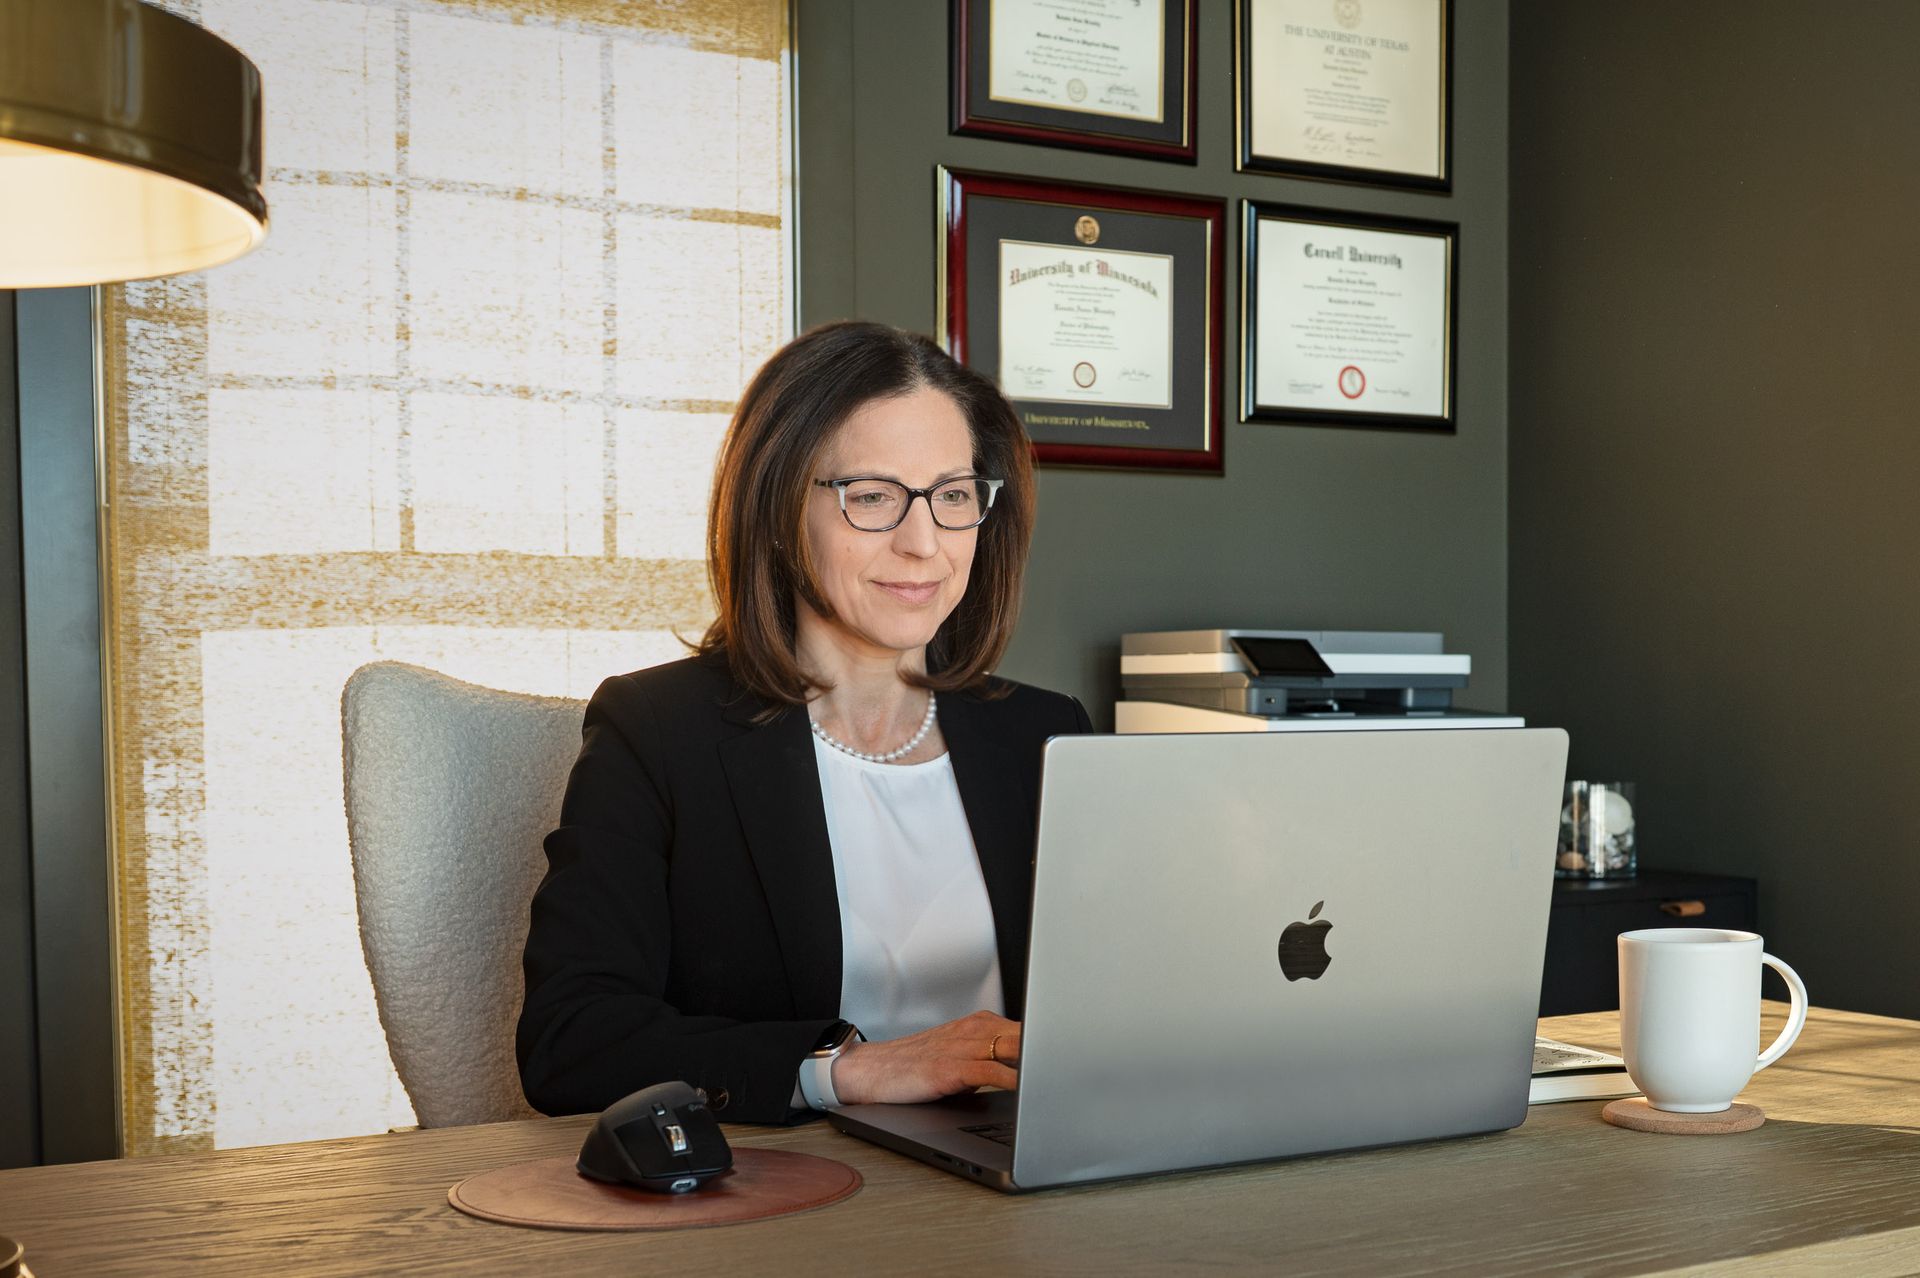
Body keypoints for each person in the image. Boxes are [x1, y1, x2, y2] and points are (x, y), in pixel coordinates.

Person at [517, 320, 1092, 1124]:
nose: (924, 543)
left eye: (954, 496)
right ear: (780, 508)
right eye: (872, 497)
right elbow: (571, 1040)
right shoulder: (657, 731)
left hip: (1030, 1174)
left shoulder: (1047, 733)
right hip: (790, 1193)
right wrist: (852, 1071)